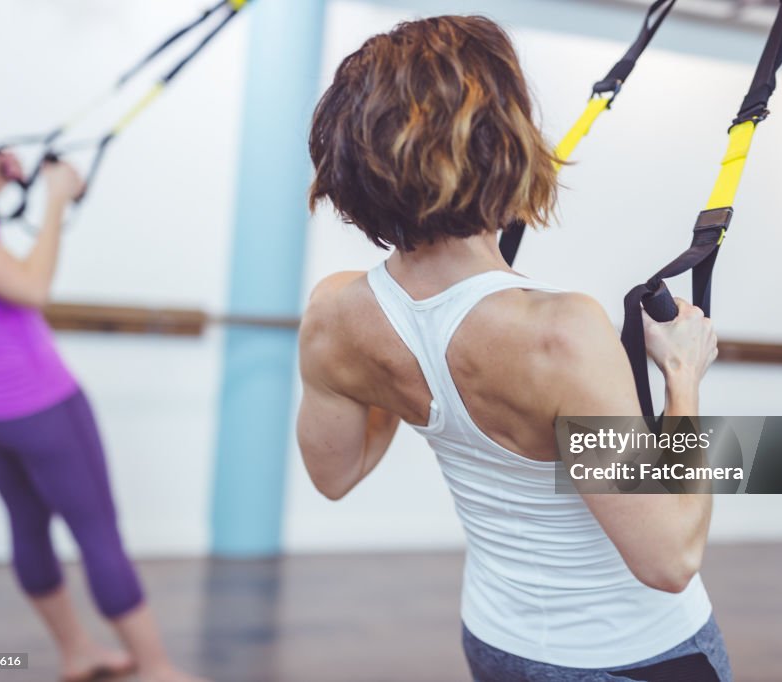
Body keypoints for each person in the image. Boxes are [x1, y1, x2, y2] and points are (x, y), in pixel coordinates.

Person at [298, 15, 728, 681]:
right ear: (503, 143)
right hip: (633, 656)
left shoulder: (335, 313)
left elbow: (334, 475)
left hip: (497, 643)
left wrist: (408, 362)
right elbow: (670, 557)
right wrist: (683, 375)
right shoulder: (560, 335)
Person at [0, 151, 208, 682]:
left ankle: (77, 654)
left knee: (28, 524)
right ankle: (157, 671)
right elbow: (31, 289)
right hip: (34, 398)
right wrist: (58, 199)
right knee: (98, 533)